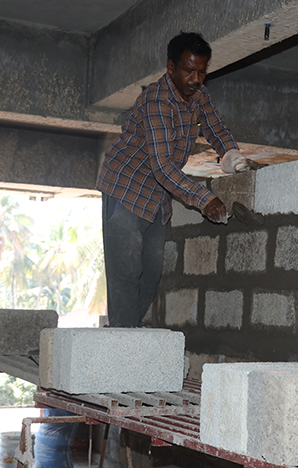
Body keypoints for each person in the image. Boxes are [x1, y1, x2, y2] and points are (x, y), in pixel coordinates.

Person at [96, 31, 246, 327]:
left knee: (150, 276)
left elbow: (215, 126)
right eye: (189, 71)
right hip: (126, 190)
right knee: (126, 273)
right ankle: (122, 340)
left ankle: (126, 334)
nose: (196, 79)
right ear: (170, 67)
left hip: (157, 197)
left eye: (202, 71)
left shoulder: (198, 95)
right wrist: (205, 200)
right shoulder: (157, 100)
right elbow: (162, 166)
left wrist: (230, 153)